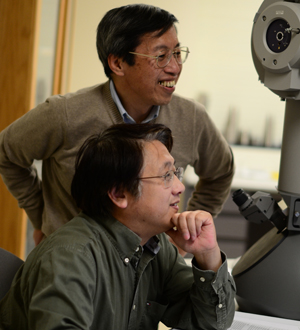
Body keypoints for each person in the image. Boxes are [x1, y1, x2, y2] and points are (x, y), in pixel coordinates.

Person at [0, 123, 256, 330]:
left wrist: (207, 255)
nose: (180, 187)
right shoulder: (71, 254)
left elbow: (210, 322)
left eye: (177, 173)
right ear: (119, 194)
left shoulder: (155, 247)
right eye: (167, 175)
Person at [0, 4, 234, 247]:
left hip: (148, 275)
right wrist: (42, 217)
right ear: (118, 63)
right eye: (161, 56)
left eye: (177, 53)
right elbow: (7, 154)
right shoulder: (64, 114)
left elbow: (221, 173)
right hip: (74, 264)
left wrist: (186, 235)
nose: (174, 67)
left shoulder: (192, 118)